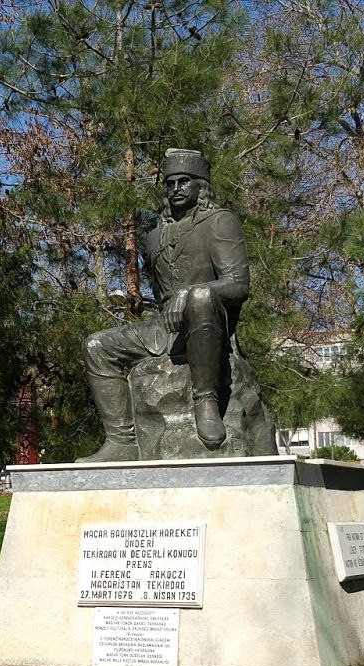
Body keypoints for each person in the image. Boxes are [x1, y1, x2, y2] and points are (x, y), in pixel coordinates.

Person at [78, 148, 250, 462]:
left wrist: (189, 295)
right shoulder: (154, 237)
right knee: (96, 346)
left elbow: (237, 284)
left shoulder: (220, 221)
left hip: (208, 320)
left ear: (201, 186)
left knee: (199, 297)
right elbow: (159, 295)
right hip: (165, 327)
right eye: (170, 184)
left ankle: (206, 402)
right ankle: (122, 443)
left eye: (184, 181)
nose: (176, 189)